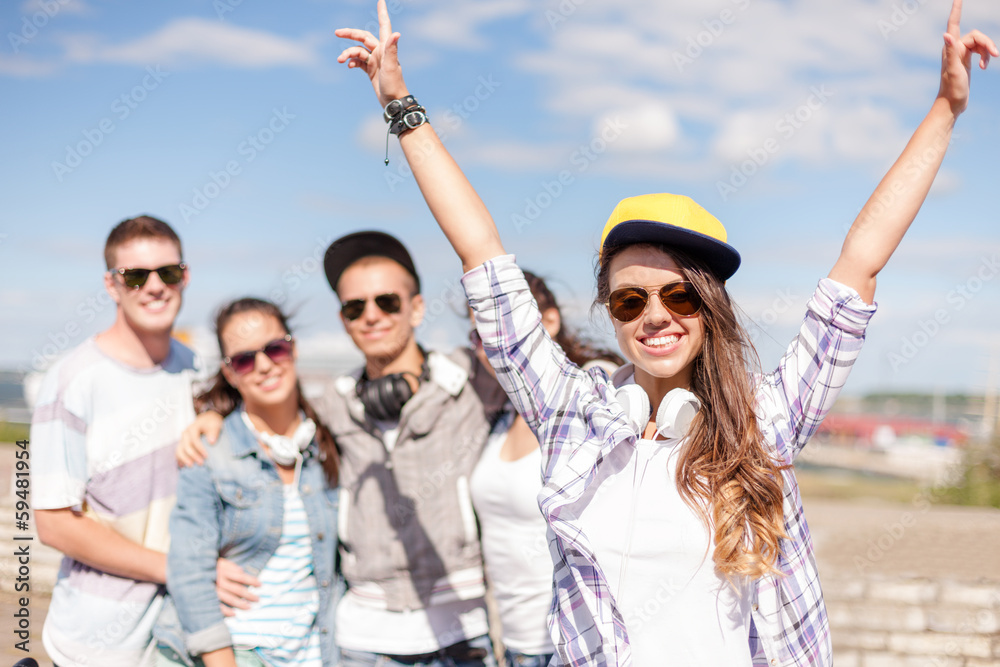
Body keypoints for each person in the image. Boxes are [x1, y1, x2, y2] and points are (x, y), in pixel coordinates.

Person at [335, 1, 996, 665]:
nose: (655, 315)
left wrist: (945, 108)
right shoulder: (574, 413)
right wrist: (399, 103)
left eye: (679, 294)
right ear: (612, 312)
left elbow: (861, 261)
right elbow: (479, 249)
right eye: (630, 299)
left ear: (709, 306)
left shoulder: (763, 421)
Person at [177, 232, 505, 667]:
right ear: (344, 319)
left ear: (417, 308)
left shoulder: (473, 382)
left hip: (464, 634)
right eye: (355, 307)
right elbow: (268, 407)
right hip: (362, 644)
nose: (371, 316)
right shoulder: (331, 408)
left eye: (387, 302)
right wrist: (213, 415)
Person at [30, 216, 199, 666]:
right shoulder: (71, 380)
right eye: (135, 275)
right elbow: (53, 523)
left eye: (168, 272)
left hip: (184, 632)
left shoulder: (198, 370)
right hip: (99, 644)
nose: (155, 286)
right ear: (111, 285)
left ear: (186, 275)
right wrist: (178, 571)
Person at [155, 298, 340, 667]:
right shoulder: (209, 449)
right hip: (235, 653)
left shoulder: (326, 442)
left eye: (275, 348)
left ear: (293, 349)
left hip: (313, 654)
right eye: (243, 359)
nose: (264, 365)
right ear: (229, 372)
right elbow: (190, 570)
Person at [469, 271, 620, 667]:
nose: (492, 346)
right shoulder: (499, 418)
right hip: (514, 644)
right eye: (478, 336)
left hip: (575, 645)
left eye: (501, 332)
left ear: (549, 321)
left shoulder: (590, 392)